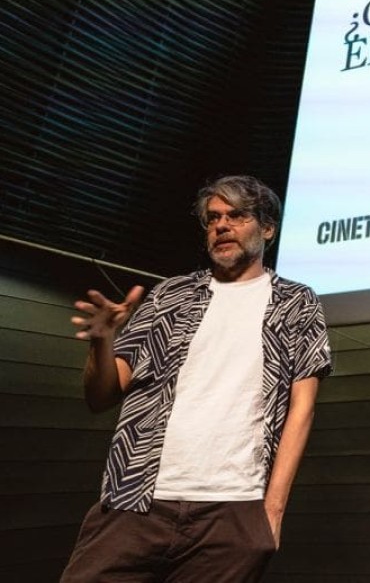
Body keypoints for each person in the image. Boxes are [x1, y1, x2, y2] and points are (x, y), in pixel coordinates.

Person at [60, 175, 333, 583]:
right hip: (135, 500)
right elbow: (101, 395)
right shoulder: (168, 295)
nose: (221, 226)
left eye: (237, 216)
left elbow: (302, 409)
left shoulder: (296, 301)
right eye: (213, 218)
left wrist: (271, 513)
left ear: (268, 228)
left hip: (233, 511)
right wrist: (101, 342)